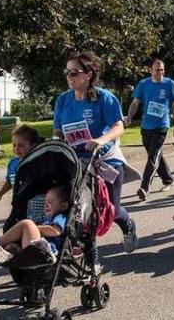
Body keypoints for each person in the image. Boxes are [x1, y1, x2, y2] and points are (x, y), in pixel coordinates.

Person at [52, 51, 138, 252]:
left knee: (110, 209)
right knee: (77, 206)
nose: (69, 77)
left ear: (88, 74)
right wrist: (56, 143)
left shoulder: (104, 98)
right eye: (67, 72)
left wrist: (100, 140)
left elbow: (119, 126)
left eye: (74, 72)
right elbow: (58, 130)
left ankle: (128, 225)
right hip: (76, 161)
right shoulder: (63, 100)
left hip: (105, 160)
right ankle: (81, 245)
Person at [125, 57, 174, 201]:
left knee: (152, 156)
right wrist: (130, 116)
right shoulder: (143, 84)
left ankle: (144, 186)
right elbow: (135, 103)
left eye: (162, 69)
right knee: (155, 155)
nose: (160, 72)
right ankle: (168, 179)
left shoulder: (170, 84)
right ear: (150, 70)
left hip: (162, 125)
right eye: (157, 70)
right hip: (146, 127)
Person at [0, 186, 69, 265]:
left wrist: (35, 227)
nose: (46, 204)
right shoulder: (45, 219)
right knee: (12, 246)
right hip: (29, 248)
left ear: (63, 206)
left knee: (27, 223)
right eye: (45, 202)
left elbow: (56, 231)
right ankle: (7, 254)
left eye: (50, 202)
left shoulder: (60, 216)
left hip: (45, 250)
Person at [0, 124, 43, 201]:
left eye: (21, 145)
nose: (16, 149)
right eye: (14, 145)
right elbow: (10, 181)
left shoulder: (39, 162)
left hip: (40, 205)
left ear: (33, 146)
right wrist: (1, 192)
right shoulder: (13, 163)